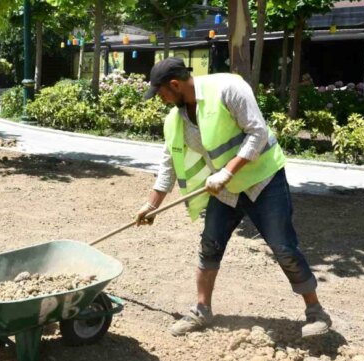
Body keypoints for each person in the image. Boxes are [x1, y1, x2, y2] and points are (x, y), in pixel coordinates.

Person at [136, 57, 331, 338]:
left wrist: (227, 172)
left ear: (175, 85)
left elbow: (258, 133)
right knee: (210, 245)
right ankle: (202, 310)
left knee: (284, 247)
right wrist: (152, 205)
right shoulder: (175, 120)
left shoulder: (228, 89)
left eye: (162, 93)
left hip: (263, 181)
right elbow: (168, 162)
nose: (161, 100)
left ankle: (316, 312)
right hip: (224, 188)